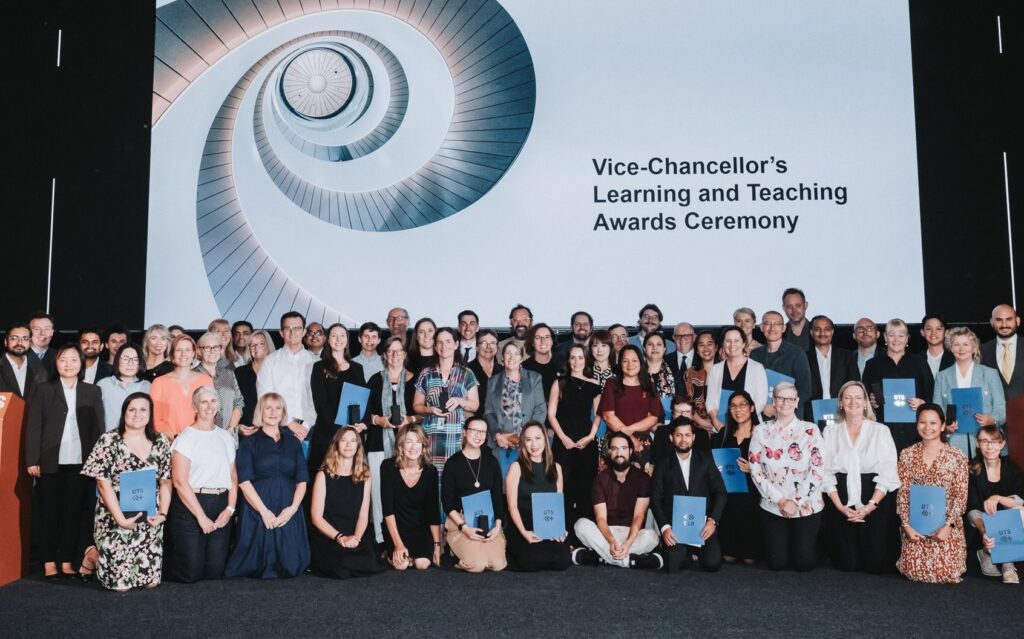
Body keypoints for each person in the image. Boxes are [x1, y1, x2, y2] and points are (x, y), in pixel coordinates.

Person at [25, 343, 105, 579]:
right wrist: (32, 459)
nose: (69, 364)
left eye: (73, 359)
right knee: (49, 513)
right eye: (63, 359)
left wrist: (98, 462)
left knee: (73, 514)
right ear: (56, 363)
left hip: (80, 462)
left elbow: (97, 429)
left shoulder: (92, 391)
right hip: (50, 461)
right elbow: (34, 427)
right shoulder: (44, 389)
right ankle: (49, 561)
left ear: (81, 364)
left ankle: (67, 560)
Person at [80, 392, 172, 590]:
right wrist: (121, 519)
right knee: (121, 586)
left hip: (149, 514)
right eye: (132, 409)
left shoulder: (161, 441)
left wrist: (163, 513)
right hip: (115, 514)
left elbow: (166, 481)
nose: (137, 414)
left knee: (150, 584)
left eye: (143, 410)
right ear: (124, 413)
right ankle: (93, 555)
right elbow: (102, 484)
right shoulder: (109, 440)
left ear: (150, 414)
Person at [225, 392, 309, 578]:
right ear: (260, 412)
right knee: (257, 563)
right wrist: (264, 512)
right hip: (259, 504)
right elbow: (244, 482)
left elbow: (302, 480)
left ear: (283, 412)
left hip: (288, 503)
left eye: (278, 408)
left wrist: (293, 509)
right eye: (268, 408)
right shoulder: (249, 443)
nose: (273, 412)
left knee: (292, 565)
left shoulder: (294, 442)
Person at [821, 381, 899, 573]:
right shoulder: (830, 432)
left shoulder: (881, 430)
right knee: (848, 565)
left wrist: (869, 506)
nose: (853, 402)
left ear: (865, 403)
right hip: (840, 497)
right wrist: (840, 507)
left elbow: (888, 472)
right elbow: (825, 473)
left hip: (874, 496)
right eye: (847, 397)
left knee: (876, 565)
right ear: (840, 403)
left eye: (858, 397)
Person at [748, 381, 827, 571]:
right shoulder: (760, 430)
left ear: (797, 401)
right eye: (780, 398)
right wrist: (782, 501)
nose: (785, 403)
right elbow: (755, 469)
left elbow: (818, 469)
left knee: (803, 563)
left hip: (806, 504)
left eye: (790, 398)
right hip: (774, 504)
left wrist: (796, 501)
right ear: (773, 401)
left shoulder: (811, 430)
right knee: (777, 563)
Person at [167, 386, 238, 583]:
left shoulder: (225, 437)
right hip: (191, 504)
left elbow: (233, 477)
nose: (209, 406)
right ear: (195, 406)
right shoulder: (186, 438)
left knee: (214, 572)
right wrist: (201, 517)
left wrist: (230, 509)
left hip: (221, 502)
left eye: (213, 401)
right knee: (191, 572)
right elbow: (180, 482)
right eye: (204, 402)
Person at [896, 403, 968, 584]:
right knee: (913, 572)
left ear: (943, 425)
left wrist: (947, 527)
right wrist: (906, 526)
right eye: (922, 422)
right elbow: (903, 493)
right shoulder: (907, 454)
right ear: (917, 424)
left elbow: (960, 496)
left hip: (946, 526)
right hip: (915, 527)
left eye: (933, 423)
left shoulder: (957, 455)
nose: (927, 428)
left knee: (947, 574)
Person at [572, 431, 660, 569]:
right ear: (610, 452)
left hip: (632, 534)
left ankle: (600, 557)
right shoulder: (600, 479)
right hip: (606, 534)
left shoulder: (643, 479)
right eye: (615, 448)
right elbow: (600, 518)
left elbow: (639, 517)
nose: (619, 453)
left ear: (631, 451)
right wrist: (612, 541)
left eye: (624, 448)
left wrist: (628, 543)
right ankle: (631, 561)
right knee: (580, 525)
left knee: (652, 536)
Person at [309, 427, 386, 578]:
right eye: (344, 440)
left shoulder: (365, 475)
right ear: (336, 444)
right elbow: (316, 518)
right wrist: (340, 537)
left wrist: (356, 538)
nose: (348, 445)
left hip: (353, 533)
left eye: (353, 441)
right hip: (329, 535)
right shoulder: (323, 475)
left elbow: (364, 515)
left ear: (358, 446)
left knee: (370, 561)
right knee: (340, 566)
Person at [651, 419, 727, 572]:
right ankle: (684, 552)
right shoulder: (663, 464)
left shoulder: (705, 460)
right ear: (671, 438)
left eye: (687, 435)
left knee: (712, 564)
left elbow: (721, 492)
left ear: (693, 437)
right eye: (679, 435)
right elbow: (655, 497)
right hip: (674, 526)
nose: (683, 439)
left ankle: (693, 551)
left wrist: (712, 521)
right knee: (672, 566)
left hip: (701, 525)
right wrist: (665, 528)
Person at [364, 336, 417, 543]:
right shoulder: (375, 380)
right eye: (390, 351)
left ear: (405, 354)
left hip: (410, 447)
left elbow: (424, 413)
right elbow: (363, 414)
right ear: (384, 355)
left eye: (399, 350)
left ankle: (404, 539)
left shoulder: (416, 380)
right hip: (378, 445)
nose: (395, 354)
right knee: (379, 493)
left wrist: (410, 419)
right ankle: (380, 539)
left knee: (405, 494)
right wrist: (379, 420)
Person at [442, 417, 508, 573]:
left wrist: (497, 526)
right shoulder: (453, 463)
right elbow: (447, 501)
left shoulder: (491, 462)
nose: (478, 435)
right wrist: (463, 527)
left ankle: (481, 548)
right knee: (477, 565)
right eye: (474, 430)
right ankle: (454, 550)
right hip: (461, 520)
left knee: (498, 565)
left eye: (482, 432)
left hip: (488, 520)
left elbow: (498, 497)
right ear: (465, 432)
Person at [505, 421, 571, 571]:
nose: (533, 444)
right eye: (528, 440)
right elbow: (512, 506)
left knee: (562, 561)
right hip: (523, 526)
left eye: (538, 438)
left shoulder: (556, 468)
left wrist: (558, 529)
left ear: (545, 440)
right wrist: (524, 532)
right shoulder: (516, 467)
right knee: (534, 560)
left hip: (547, 524)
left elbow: (556, 505)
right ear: (523, 443)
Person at [548, 344, 602, 530]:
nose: (576, 361)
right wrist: (562, 437)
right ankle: (563, 532)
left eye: (580, 357)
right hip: (563, 442)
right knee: (563, 488)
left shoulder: (594, 383)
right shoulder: (560, 382)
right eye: (573, 357)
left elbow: (598, 414)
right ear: (568, 360)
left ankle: (584, 534)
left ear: (586, 360)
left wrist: (591, 436)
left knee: (586, 488)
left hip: (586, 442)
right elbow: (551, 415)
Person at [413, 327, 480, 472]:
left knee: (453, 477)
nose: (444, 346)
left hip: (455, 436)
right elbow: (416, 405)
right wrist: (428, 409)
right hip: (430, 435)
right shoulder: (426, 373)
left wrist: (460, 401)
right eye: (440, 342)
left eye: (448, 341)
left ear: (456, 344)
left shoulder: (466, 373)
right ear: (435, 346)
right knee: (429, 477)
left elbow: (475, 405)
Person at [862, 319, 934, 450]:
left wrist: (922, 403)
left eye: (901, 335)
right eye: (891, 335)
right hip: (883, 429)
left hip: (913, 430)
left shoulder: (919, 363)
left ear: (907, 339)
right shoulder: (872, 365)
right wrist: (870, 402)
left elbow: (931, 393)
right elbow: (863, 397)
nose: (896, 340)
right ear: (885, 337)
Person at [934, 326, 1006, 455]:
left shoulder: (990, 374)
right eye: (956, 344)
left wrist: (993, 419)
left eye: (966, 344)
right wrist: (945, 426)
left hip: (987, 442)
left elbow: (1001, 407)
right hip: (953, 442)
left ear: (974, 347)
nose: (961, 349)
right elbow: (937, 410)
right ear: (951, 348)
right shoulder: (941, 377)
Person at [379, 425, 442, 570]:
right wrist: (398, 544)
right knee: (402, 565)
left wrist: (437, 546)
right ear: (401, 446)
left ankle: (411, 557)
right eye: (409, 442)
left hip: (420, 529)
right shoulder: (388, 467)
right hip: (396, 528)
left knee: (422, 564)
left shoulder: (430, 471)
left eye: (418, 442)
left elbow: (433, 512)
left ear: (423, 446)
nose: (414, 447)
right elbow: (387, 510)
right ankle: (387, 552)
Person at [966, 425, 1023, 583]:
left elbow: (1020, 501)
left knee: (1020, 510)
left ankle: (1006, 562)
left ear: (1002, 444)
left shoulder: (1012, 470)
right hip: (979, 528)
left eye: (994, 441)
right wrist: (985, 532)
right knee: (980, 518)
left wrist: (997, 498)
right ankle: (988, 552)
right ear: (977, 444)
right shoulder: (971, 470)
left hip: (1007, 529)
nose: (990, 446)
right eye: (984, 441)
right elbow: (972, 509)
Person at [308, 324, 366, 474]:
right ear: (328, 339)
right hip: (327, 435)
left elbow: (363, 399)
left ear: (347, 340)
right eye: (334, 335)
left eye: (342, 335)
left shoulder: (357, 368)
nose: (338, 339)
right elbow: (321, 404)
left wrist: (361, 425)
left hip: (352, 438)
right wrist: (341, 430)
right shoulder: (319, 367)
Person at [713, 390, 762, 563]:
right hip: (729, 497)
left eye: (742, 405)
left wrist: (753, 468)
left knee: (750, 559)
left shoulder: (762, 434)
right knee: (728, 557)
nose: (738, 409)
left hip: (754, 497)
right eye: (733, 406)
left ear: (752, 408)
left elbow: (774, 466)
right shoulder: (723, 434)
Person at [256, 311, 317, 440]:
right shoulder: (270, 361)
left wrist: (305, 426)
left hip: (310, 429)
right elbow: (264, 396)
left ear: (304, 332)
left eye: (297, 328)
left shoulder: (316, 362)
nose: (292, 332)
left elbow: (318, 399)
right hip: (278, 427)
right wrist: (289, 422)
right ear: (281, 333)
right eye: (287, 328)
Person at [485, 341, 546, 468]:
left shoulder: (534, 378)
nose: (512, 357)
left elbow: (540, 409)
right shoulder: (493, 381)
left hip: (529, 445)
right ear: (502, 357)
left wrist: (528, 437)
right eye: (508, 353)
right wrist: (497, 436)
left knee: (527, 484)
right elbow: (489, 412)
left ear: (522, 358)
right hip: (502, 445)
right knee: (503, 484)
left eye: (516, 354)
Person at [599, 345, 663, 453]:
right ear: (620, 363)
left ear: (641, 362)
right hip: (616, 441)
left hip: (642, 443)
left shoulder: (649, 385)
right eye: (625, 361)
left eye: (634, 360)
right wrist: (630, 438)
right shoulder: (611, 384)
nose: (630, 365)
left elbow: (653, 418)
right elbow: (608, 416)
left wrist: (629, 430)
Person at [750, 311, 812, 417]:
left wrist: (777, 407)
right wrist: (761, 406)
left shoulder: (797, 353)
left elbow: (805, 390)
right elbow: (750, 387)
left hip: (789, 418)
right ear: (761, 327)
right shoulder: (755, 355)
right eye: (767, 324)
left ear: (784, 328)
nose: (772, 328)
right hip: (761, 416)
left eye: (777, 324)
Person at [151, 335, 213, 438]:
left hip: (201, 440)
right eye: (178, 350)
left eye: (187, 350)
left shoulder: (206, 380)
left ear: (193, 353)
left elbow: (210, 413)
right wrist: (177, 439)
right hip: (171, 444)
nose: (183, 354)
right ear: (172, 354)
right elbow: (157, 420)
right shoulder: (159, 383)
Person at [706, 326, 768, 429]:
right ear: (723, 344)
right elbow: (711, 402)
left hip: (750, 428)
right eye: (728, 341)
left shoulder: (757, 368)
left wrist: (743, 424)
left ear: (743, 343)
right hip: (721, 427)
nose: (732, 345)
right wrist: (717, 423)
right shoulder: (715, 369)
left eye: (736, 340)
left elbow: (760, 402)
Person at [806, 315, 860, 413]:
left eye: (827, 329)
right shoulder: (804, 357)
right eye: (817, 329)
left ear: (832, 332)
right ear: (811, 332)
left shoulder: (847, 356)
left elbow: (854, 384)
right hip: (812, 412)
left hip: (841, 411)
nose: (822, 333)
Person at [193, 331, 244, 434]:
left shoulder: (229, 374)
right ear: (199, 351)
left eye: (216, 347)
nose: (212, 351)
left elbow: (238, 402)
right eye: (207, 347)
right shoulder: (192, 375)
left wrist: (231, 428)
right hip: (201, 434)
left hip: (229, 434)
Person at [97, 343, 151, 432]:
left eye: (135, 359)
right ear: (117, 361)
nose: (130, 363)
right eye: (126, 359)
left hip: (138, 439)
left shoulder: (147, 386)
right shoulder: (103, 385)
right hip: (109, 440)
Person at [980, 304, 1024, 401]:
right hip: (995, 414)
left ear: (1017, 321)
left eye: (1009, 319)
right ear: (992, 322)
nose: (1004, 325)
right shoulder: (982, 351)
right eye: (999, 320)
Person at [236, 329, 275, 436]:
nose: (256, 348)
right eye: (252, 345)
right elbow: (234, 402)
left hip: (274, 430)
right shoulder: (239, 372)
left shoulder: (278, 370)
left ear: (268, 345)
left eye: (261, 344)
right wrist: (237, 426)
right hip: (247, 430)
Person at [683, 329, 719, 437]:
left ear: (716, 347)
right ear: (697, 350)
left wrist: (715, 423)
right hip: (696, 427)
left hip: (722, 426)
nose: (706, 349)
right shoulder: (690, 373)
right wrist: (702, 422)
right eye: (701, 345)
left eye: (710, 344)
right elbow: (686, 402)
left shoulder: (725, 370)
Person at [0, 323, 46, 398]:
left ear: (30, 343)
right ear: (6, 342)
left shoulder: (39, 370)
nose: (20, 343)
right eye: (14, 338)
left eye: (25, 339)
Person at [467, 329, 502, 414]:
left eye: (493, 343)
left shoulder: (503, 370)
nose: (488, 347)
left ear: (497, 347)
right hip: (475, 423)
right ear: (477, 347)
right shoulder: (467, 370)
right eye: (484, 343)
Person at [523, 323, 562, 399]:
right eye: (538, 338)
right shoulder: (524, 368)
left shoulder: (563, 363)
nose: (543, 341)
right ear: (532, 343)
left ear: (552, 341)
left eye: (547, 337)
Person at [920, 314, 954, 378]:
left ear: (946, 332)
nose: (933, 332)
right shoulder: (916, 361)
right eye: (929, 329)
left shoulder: (955, 359)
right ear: (922, 332)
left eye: (938, 329)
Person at [644, 332, 676, 400]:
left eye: (659, 344)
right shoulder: (636, 371)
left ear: (664, 349)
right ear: (644, 349)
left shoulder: (675, 371)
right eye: (650, 344)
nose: (654, 347)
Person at [668, 322, 696, 396]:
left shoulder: (703, 360)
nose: (682, 339)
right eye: (678, 336)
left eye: (687, 335)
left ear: (694, 337)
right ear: (673, 337)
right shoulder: (665, 361)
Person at [28, 312, 57, 380]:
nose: (42, 333)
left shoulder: (59, 356)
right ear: (28, 332)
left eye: (47, 329)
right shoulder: (18, 356)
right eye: (37, 329)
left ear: (52, 332)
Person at [781, 287, 811, 351]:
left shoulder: (818, 332)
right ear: (784, 308)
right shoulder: (778, 334)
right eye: (789, 306)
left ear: (805, 305)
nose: (794, 310)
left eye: (798, 305)